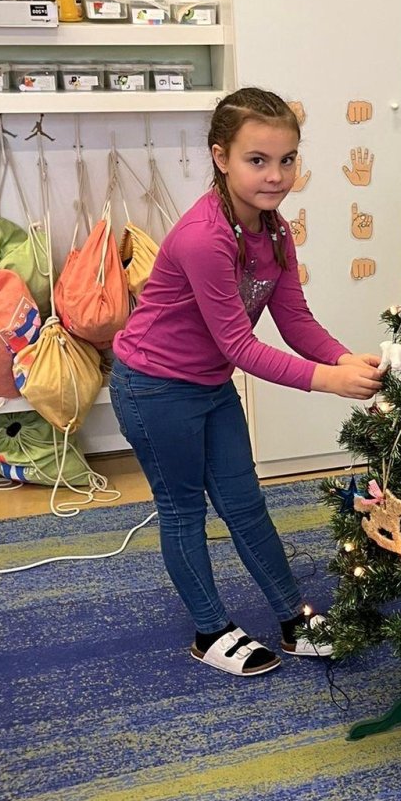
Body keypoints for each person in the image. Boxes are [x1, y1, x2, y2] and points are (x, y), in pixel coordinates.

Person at [110, 87, 381, 677]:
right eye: (257, 160)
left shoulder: (276, 231)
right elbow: (240, 346)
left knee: (244, 503)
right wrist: (329, 381)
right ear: (221, 157)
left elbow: (295, 319)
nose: (275, 175)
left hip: (209, 385)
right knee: (184, 510)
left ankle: (293, 618)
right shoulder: (204, 237)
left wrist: (345, 360)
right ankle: (209, 631)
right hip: (154, 387)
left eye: (287, 160)